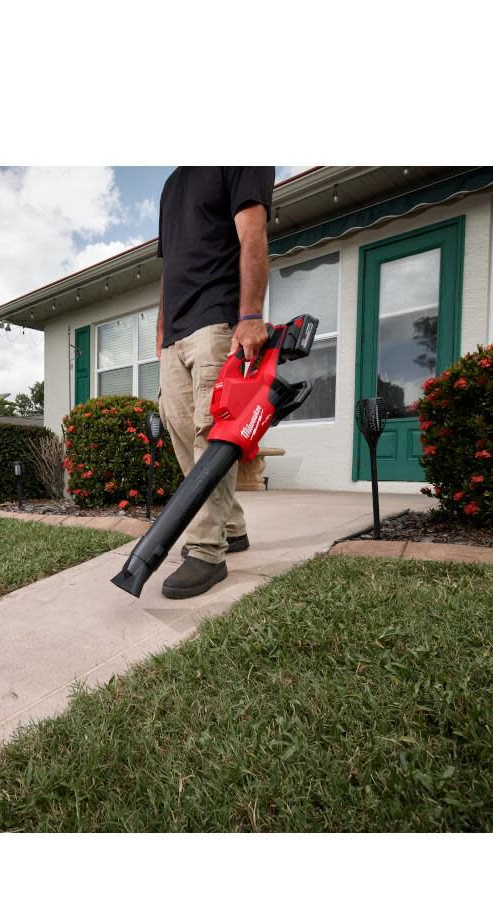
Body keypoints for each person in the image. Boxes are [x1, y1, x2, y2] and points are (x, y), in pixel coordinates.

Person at [155, 166, 275, 599]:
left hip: (216, 320)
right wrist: (161, 327)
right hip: (176, 332)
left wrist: (250, 315)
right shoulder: (172, 185)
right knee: (181, 432)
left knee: (212, 435)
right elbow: (170, 265)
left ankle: (207, 550)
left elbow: (253, 232)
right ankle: (232, 527)